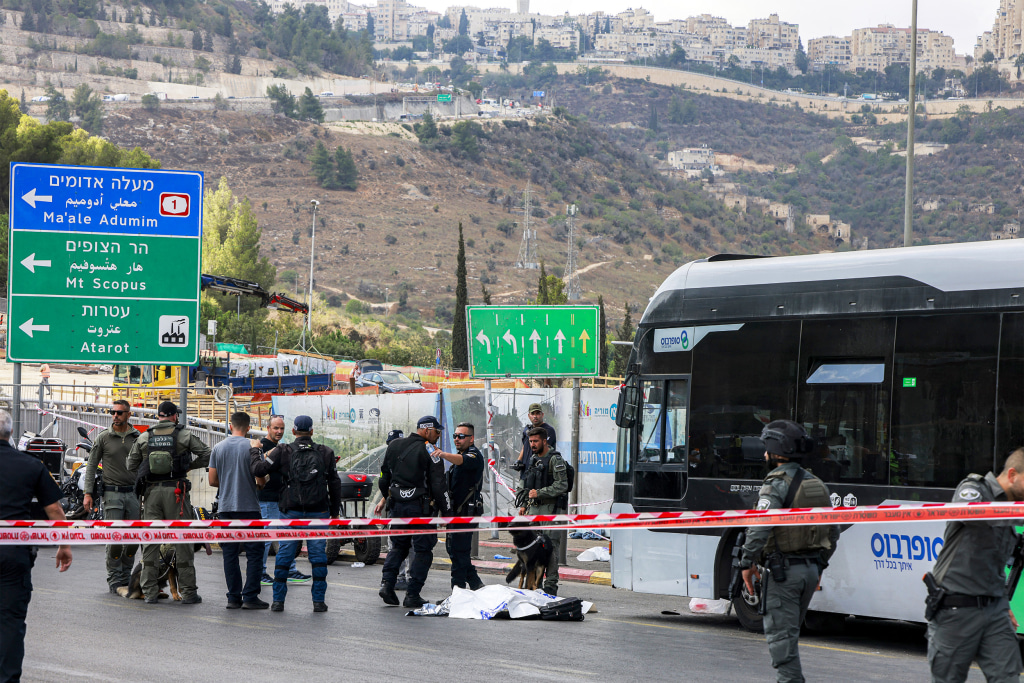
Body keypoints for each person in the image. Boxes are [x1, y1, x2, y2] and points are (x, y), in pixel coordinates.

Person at [738, 420, 840, 683]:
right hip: (808, 571)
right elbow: (833, 533)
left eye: (766, 449)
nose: (763, 455)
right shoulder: (817, 483)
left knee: (782, 645)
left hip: (784, 573)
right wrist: (819, 566)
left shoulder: (776, 484)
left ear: (775, 450)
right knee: (790, 636)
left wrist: (747, 564)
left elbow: (760, 528)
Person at [925, 448, 1024, 683]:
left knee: (1008, 677)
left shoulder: (1012, 511)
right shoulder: (974, 489)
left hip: (995, 610)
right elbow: (971, 515)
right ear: (1012, 475)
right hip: (956, 608)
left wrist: (1002, 600)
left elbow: (994, 563)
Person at [0, 408, 72, 682]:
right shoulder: (31, 465)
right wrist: (63, 546)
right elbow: (55, 510)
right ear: (11, 435)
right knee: (10, 623)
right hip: (13, 554)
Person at [251, 415, 341, 613]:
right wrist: (334, 512)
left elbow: (258, 469)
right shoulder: (325, 452)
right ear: (311, 431)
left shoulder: (283, 451)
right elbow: (335, 484)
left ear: (293, 432)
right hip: (318, 511)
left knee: (285, 553)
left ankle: (278, 601)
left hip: (290, 510)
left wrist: (255, 450)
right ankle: (318, 602)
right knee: (318, 556)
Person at [127, 401, 212, 605]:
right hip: (177, 493)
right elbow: (208, 454)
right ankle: (189, 593)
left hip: (152, 494)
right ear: (174, 416)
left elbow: (130, 464)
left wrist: (149, 468)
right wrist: (188, 466)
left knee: (151, 541)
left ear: (158, 416)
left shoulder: (145, 436)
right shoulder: (184, 435)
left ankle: (149, 593)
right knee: (182, 540)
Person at [377, 416, 452, 608]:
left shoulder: (394, 446)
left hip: (398, 506)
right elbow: (438, 484)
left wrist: (389, 496)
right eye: (437, 431)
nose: (438, 436)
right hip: (421, 508)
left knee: (399, 547)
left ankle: (387, 584)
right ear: (427, 430)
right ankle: (412, 594)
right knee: (423, 550)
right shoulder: (430, 450)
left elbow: (384, 476)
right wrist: (447, 511)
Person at [209, 412, 269, 610]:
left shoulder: (218, 447)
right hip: (250, 508)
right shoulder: (253, 447)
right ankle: (250, 596)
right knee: (254, 553)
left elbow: (212, 481)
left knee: (230, 554)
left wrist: (227, 484)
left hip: (226, 509)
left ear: (230, 425)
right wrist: (257, 484)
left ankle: (233, 597)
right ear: (248, 427)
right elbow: (261, 479)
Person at [82, 399, 141, 594]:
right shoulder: (104, 438)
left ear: (128, 415)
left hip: (133, 494)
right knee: (115, 539)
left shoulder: (138, 437)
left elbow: (145, 465)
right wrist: (88, 493)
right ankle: (115, 581)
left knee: (132, 539)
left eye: (119, 413)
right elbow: (91, 465)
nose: (115, 416)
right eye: (112, 412)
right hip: (112, 494)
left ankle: (126, 577)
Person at [256, 415, 309, 587]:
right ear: (268, 428)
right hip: (267, 500)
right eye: (275, 428)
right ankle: (261, 572)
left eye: (281, 428)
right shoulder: (263, 447)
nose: (279, 431)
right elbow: (257, 469)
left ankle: (289, 570)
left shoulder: (279, 447)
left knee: (287, 536)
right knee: (267, 538)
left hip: (280, 500)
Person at [515, 426, 568, 596]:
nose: (532, 444)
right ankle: (532, 583)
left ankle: (551, 585)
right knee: (532, 547)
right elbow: (526, 483)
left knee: (551, 547)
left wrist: (540, 493)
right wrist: (523, 504)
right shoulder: (533, 459)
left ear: (545, 441)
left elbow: (562, 484)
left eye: (536, 441)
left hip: (551, 510)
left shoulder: (555, 460)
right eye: (530, 441)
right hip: (534, 510)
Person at [440, 422, 485, 590]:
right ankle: (476, 585)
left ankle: (458, 591)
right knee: (455, 551)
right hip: (456, 513)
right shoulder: (459, 457)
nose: (457, 439)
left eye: (461, 436)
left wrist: (443, 454)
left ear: (471, 439)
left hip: (466, 513)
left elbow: (463, 461)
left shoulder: (474, 455)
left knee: (459, 552)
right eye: (455, 436)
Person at [379, 429, 415, 592]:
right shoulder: (389, 460)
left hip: (407, 506)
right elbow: (387, 483)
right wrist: (384, 499)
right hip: (398, 505)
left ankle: (407, 577)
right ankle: (400, 577)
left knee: (406, 544)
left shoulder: (407, 459)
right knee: (397, 543)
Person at [514, 403, 556, 479]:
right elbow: (525, 447)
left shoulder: (548, 430)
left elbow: (545, 451)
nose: (535, 416)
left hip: (541, 474)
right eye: (532, 414)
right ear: (529, 416)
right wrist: (519, 461)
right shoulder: (527, 430)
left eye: (538, 414)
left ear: (542, 415)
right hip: (526, 473)